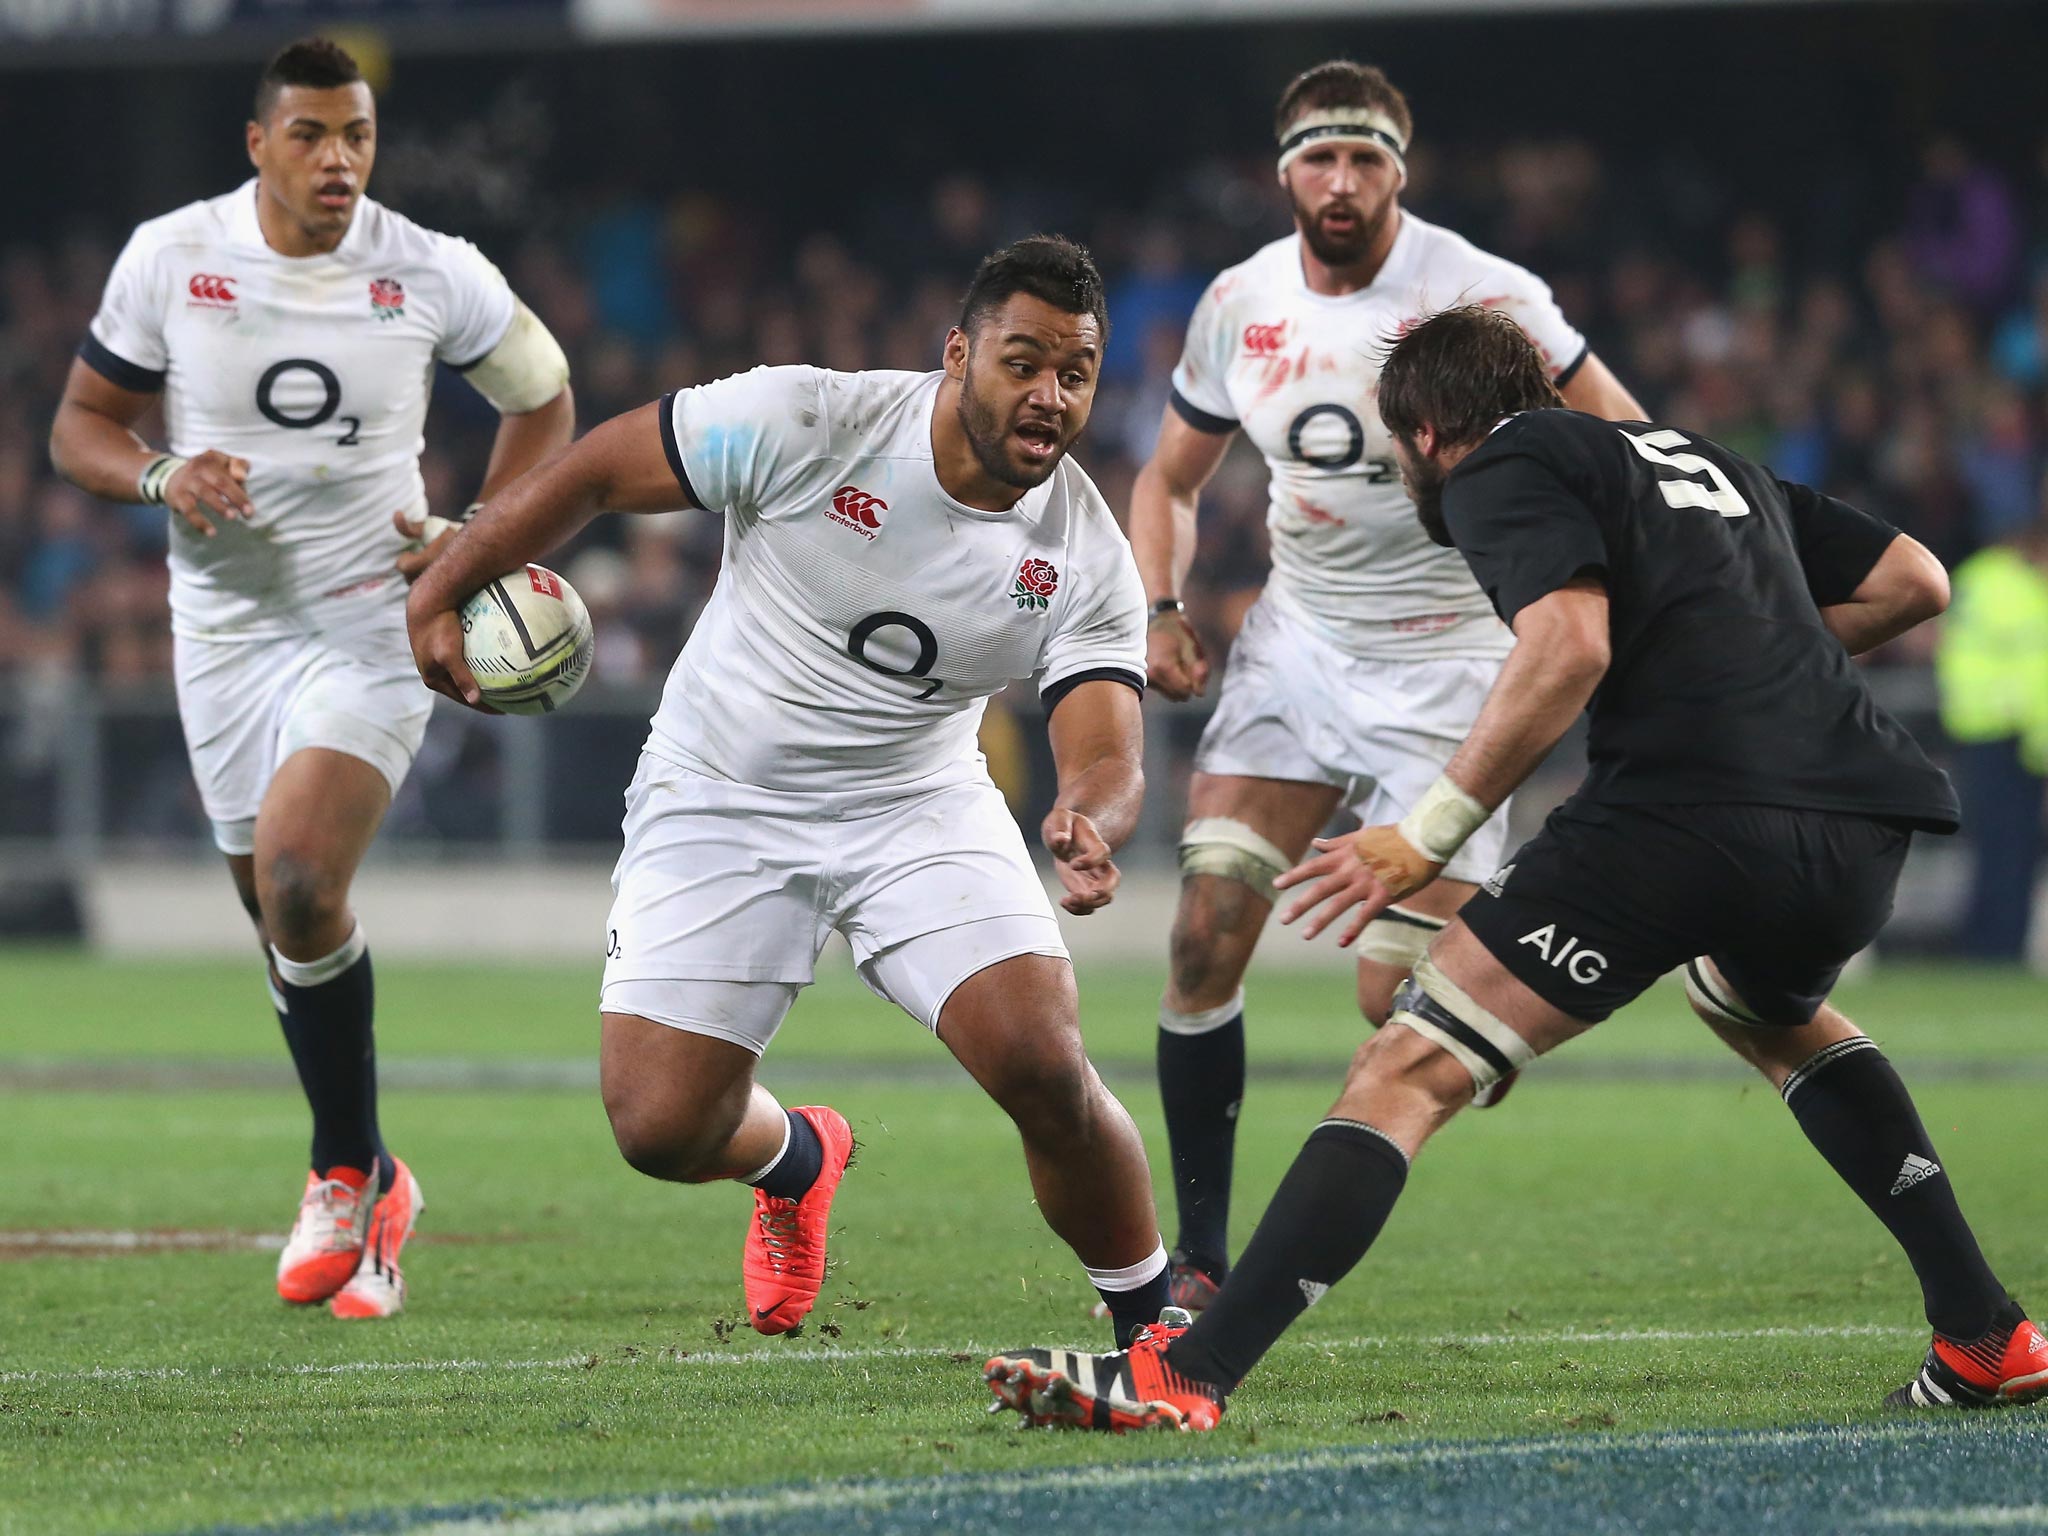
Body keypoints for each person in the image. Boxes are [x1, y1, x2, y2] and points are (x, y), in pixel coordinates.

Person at [986, 305, 2045, 1430]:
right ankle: (1982, 1330)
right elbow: (1913, 583)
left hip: (1685, 813)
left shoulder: (1506, 457)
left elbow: (1568, 644)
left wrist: (1422, 832)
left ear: (1429, 431)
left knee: (1404, 1068)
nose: (1404, 470)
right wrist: (1741, 667)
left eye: (1400, 450)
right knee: (1760, 1006)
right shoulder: (1707, 464)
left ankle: (1185, 1374)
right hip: (1856, 821)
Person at [406, 237, 1176, 1344]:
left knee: (1044, 1066)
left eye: (1075, 372)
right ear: (958, 355)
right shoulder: (811, 421)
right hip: (722, 790)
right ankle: (797, 1160)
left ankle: (1154, 1338)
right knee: (660, 1129)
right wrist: (437, 594)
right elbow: (591, 471)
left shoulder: (1086, 553)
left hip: (917, 805)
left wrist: (1087, 817)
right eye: (1023, 361)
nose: (1049, 395)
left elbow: (1105, 745)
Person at [47, 38, 575, 1319]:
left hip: (370, 622)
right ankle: (379, 1172)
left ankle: (342, 1168)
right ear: (257, 143)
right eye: (311, 136)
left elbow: (546, 397)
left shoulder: (430, 269)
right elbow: (79, 428)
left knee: (296, 877)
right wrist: (165, 474)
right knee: (283, 923)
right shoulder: (172, 257)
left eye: (358, 136)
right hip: (223, 633)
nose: (338, 160)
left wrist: (478, 531)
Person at [1130, 60, 1645, 1310]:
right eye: (1319, 159)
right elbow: (1168, 482)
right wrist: (1154, 605)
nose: (1341, 182)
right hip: (1297, 644)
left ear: (1398, 174)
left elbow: (1626, 437)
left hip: (1457, 658)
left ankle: (1504, 930)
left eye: (1364, 161)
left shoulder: (1481, 291)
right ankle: (1199, 1261)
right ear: (1283, 171)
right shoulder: (1237, 302)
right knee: (1202, 933)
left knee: (1387, 1000)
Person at [1935, 511, 2048, 961]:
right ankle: (1994, 947)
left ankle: (1998, 945)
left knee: (2007, 850)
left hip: (2011, 736)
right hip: (1998, 731)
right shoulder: (1999, 583)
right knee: (2005, 848)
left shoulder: (1997, 580)